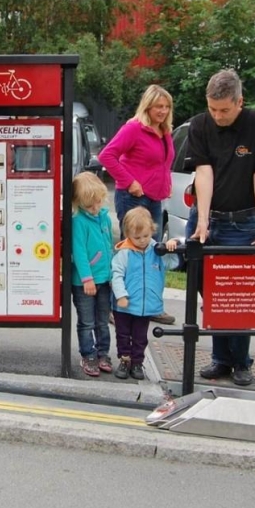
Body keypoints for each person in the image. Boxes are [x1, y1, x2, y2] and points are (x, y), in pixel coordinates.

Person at [188, 69, 255, 386]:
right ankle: (220, 358)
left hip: (243, 221)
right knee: (212, 294)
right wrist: (202, 220)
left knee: (237, 294)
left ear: (239, 102)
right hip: (210, 217)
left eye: (224, 110)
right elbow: (203, 172)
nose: (217, 116)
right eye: (213, 109)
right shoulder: (200, 125)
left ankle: (241, 362)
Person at [98, 84, 176, 325]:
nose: (162, 111)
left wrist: (166, 185)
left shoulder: (164, 132)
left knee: (153, 253)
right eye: (158, 107)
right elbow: (106, 156)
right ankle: (118, 305)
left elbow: (161, 165)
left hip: (154, 198)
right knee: (130, 253)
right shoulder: (134, 128)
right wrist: (129, 181)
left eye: (166, 107)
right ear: (148, 106)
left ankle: (150, 305)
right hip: (133, 197)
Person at [111, 207, 179, 380]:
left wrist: (172, 247)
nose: (142, 241)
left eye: (146, 236)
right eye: (137, 237)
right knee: (123, 334)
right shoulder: (124, 253)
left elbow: (171, 264)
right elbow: (116, 275)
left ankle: (137, 362)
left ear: (152, 231)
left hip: (145, 306)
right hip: (124, 306)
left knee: (141, 337)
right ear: (127, 234)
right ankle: (125, 360)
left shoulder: (157, 250)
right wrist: (121, 295)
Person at [71, 171, 115, 377]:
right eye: (89, 206)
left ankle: (103, 353)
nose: (95, 208)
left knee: (102, 320)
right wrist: (87, 278)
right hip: (85, 282)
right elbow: (79, 251)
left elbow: (109, 247)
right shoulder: (78, 221)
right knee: (87, 321)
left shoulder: (104, 218)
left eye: (97, 203)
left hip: (104, 279)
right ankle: (88, 354)